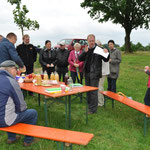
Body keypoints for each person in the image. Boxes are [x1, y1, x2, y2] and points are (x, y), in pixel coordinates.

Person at [0, 60, 38, 147]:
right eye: (16, 69)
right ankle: (28, 141)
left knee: (9, 109)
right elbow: (21, 106)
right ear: (12, 69)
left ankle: (12, 138)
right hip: (3, 120)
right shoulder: (11, 81)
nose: (17, 71)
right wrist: (22, 110)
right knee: (32, 113)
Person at [78, 34, 110, 114]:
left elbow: (106, 60)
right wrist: (84, 52)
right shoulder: (86, 49)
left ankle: (93, 109)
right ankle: (90, 106)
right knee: (88, 91)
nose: (91, 42)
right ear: (87, 41)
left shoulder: (99, 49)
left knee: (93, 92)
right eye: (90, 41)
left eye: (93, 41)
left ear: (94, 40)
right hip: (87, 73)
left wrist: (107, 53)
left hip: (95, 74)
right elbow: (79, 59)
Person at [96, 40, 110, 107]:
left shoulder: (102, 51)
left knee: (99, 87)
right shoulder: (101, 51)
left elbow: (104, 62)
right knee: (100, 86)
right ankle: (100, 100)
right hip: (101, 71)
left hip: (102, 72)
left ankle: (100, 102)